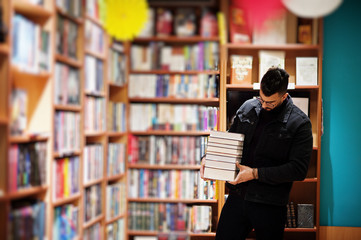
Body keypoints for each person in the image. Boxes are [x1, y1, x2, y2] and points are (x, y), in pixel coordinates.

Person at [200, 67, 313, 240]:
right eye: (261, 99)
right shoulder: (248, 107)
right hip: (238, 197)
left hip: (271, 204)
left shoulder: (300, 123)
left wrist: (254, 174)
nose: (263, 105)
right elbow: (229, 141)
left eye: (270, 102)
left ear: (284, 96)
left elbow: (298, 170)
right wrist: (210, 160)